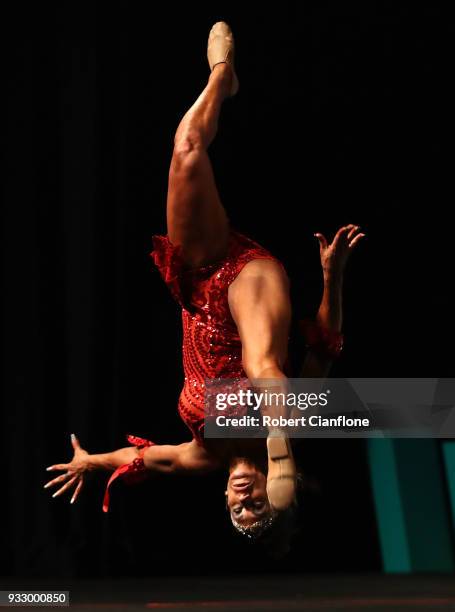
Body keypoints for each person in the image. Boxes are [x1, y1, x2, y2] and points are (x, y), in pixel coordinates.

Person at [44, 22, 364, 548]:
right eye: (256, 501)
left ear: (224, 498)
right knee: (267, 369)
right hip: (252, 288)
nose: (242, 496)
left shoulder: (201, 454)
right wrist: (333, 279)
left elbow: (141, 458)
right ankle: (276, 440)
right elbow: (324, 346)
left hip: (198, 288)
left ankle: (223, 76)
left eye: (237, 506)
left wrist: (93, 462)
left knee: (187, 148)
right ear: (281, 485)